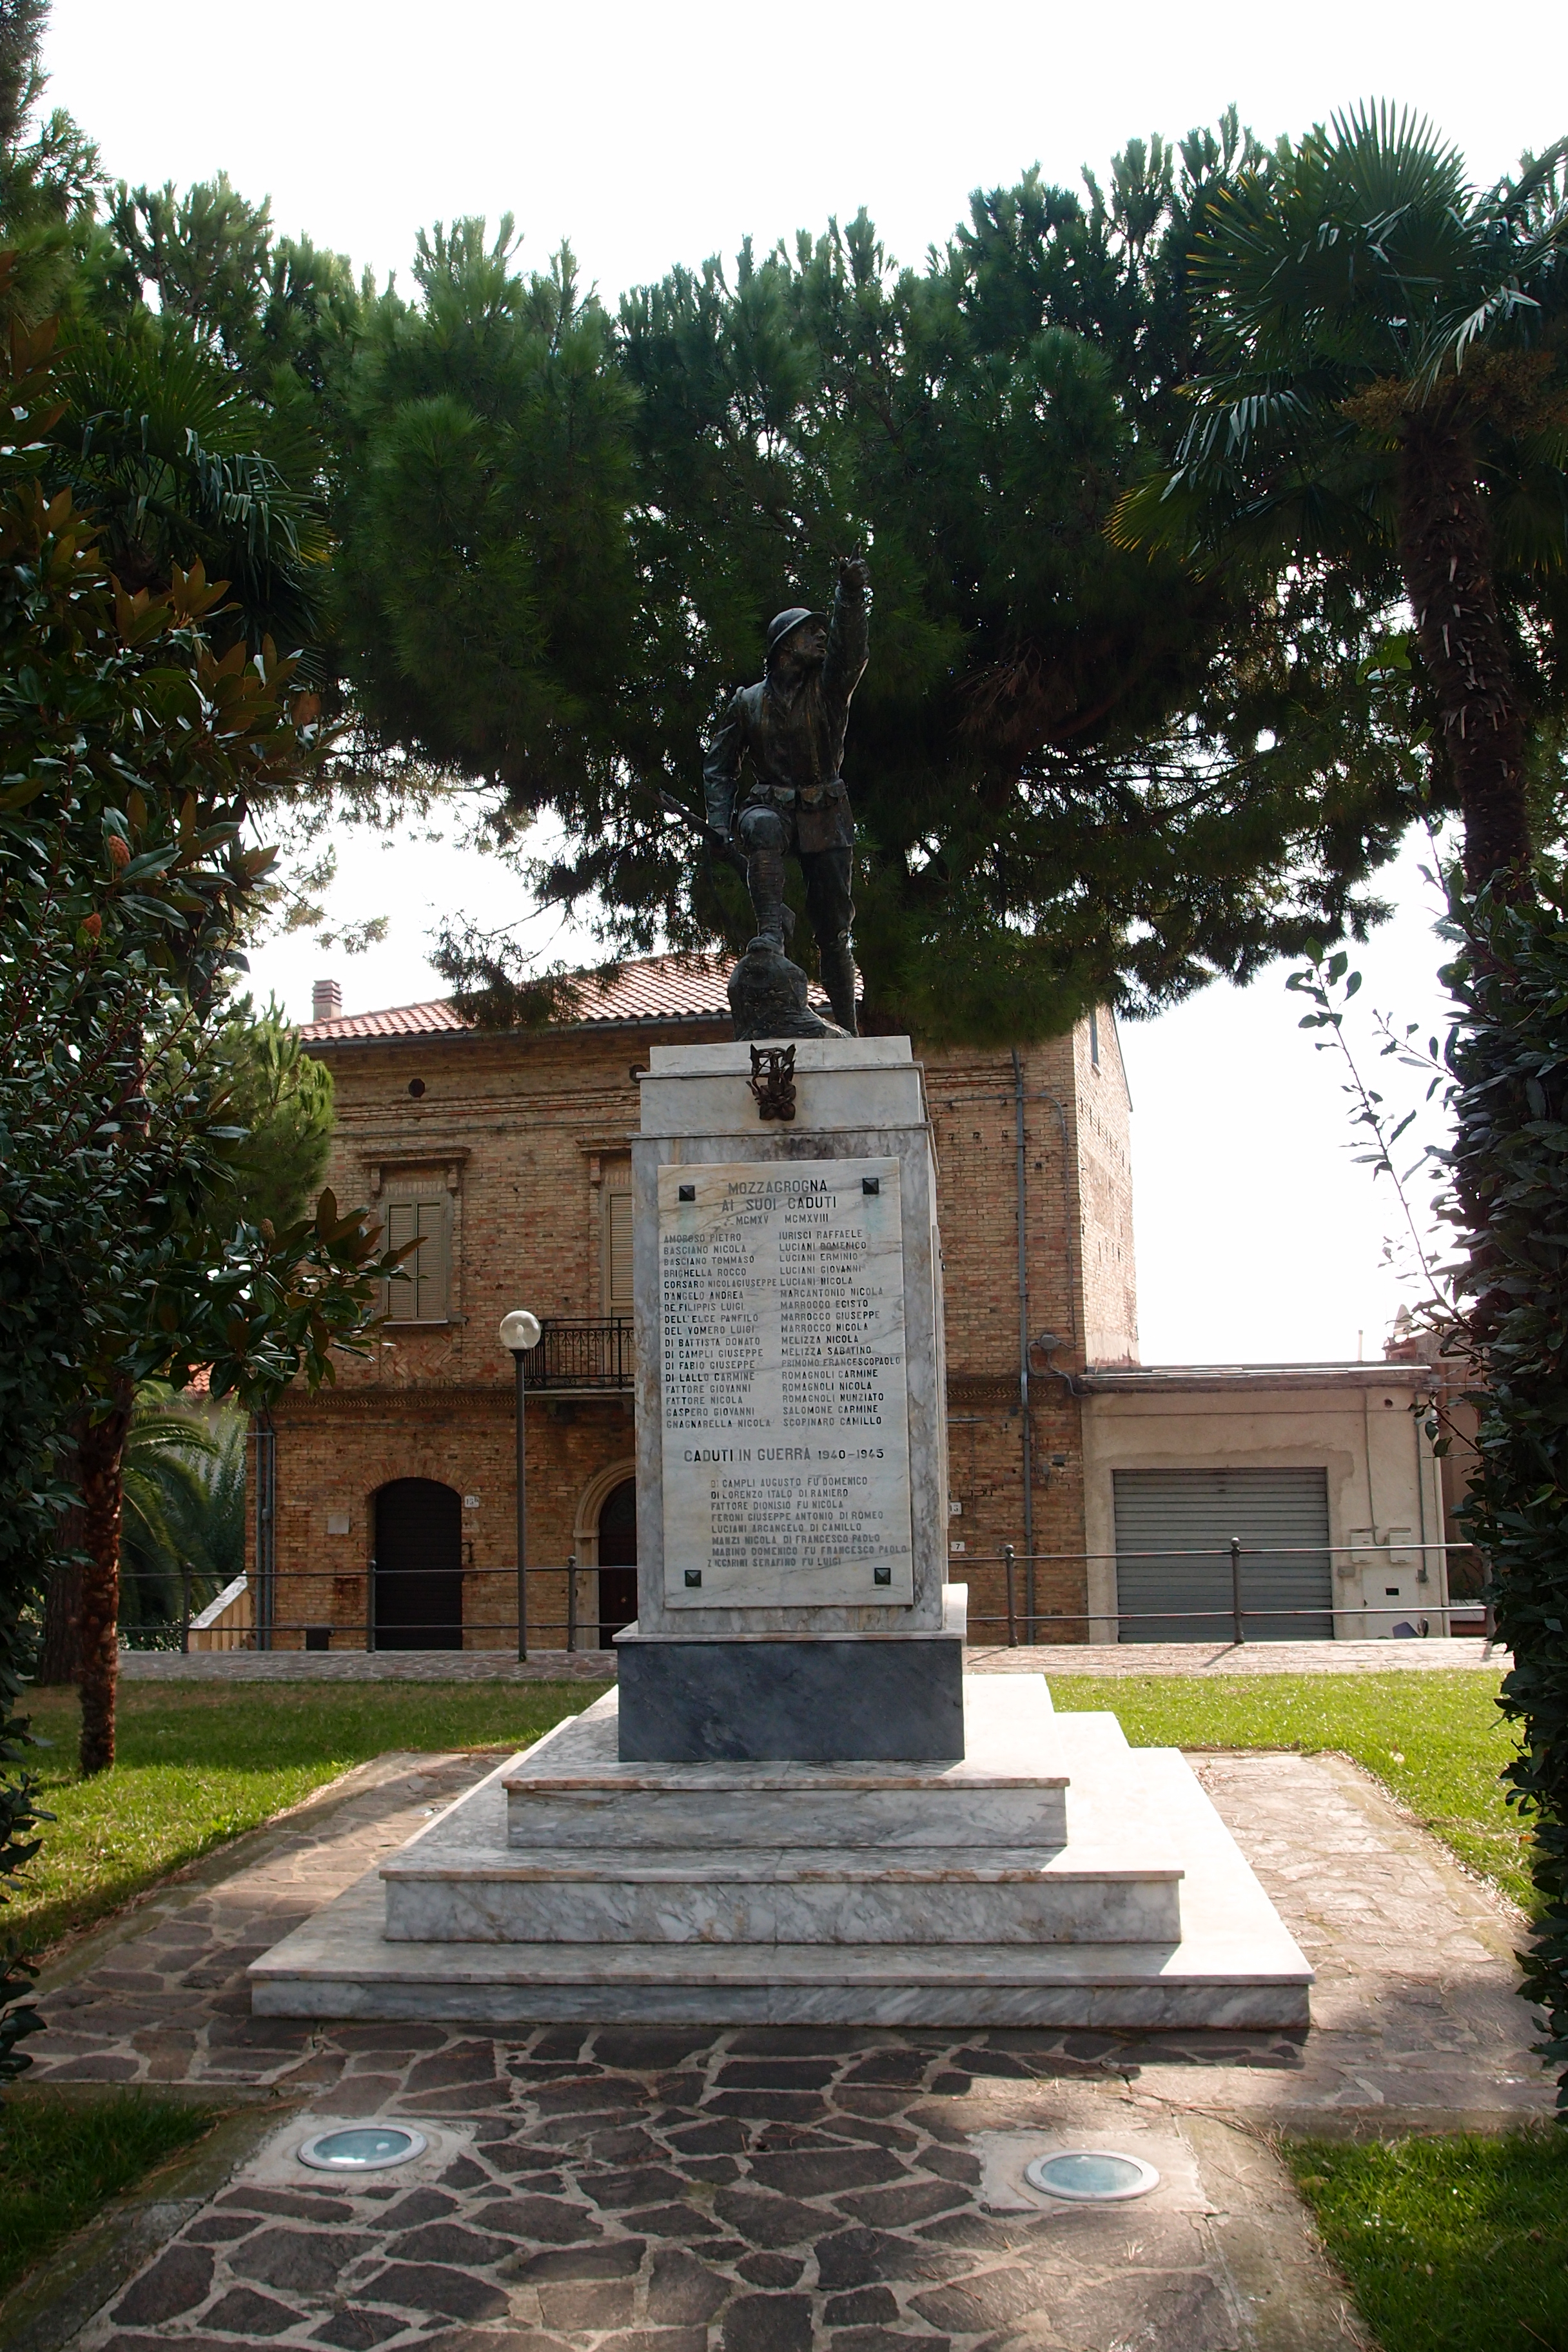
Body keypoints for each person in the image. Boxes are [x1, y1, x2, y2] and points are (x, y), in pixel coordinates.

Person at [703, 555, 869, 1036]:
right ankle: (771, 932)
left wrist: (851, 596)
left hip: (826, 813)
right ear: (784, 648)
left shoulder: (831, 689)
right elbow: (718, 764)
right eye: (811, 632)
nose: (821, 637)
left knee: (834, 931)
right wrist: (718, 821)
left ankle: (850, 1027)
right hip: (772, 805)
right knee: (759, 825)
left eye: (823, 630)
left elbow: (850, 650)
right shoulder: (747, 702)